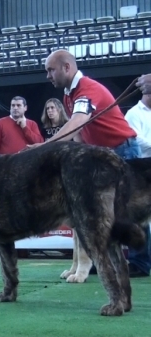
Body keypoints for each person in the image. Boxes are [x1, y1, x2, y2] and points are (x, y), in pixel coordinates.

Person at [30, 49, 150, 277]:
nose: (48, 75)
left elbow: (77, 123)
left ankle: (140, 263)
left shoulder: (87, 89)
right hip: (101, 157)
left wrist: (46, 146)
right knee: (97, 211)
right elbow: (80, 133)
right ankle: (98, 259)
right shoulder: (69, 93)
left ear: (66, 67)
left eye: (50, 70)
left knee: (133, 208)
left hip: (123, 149)